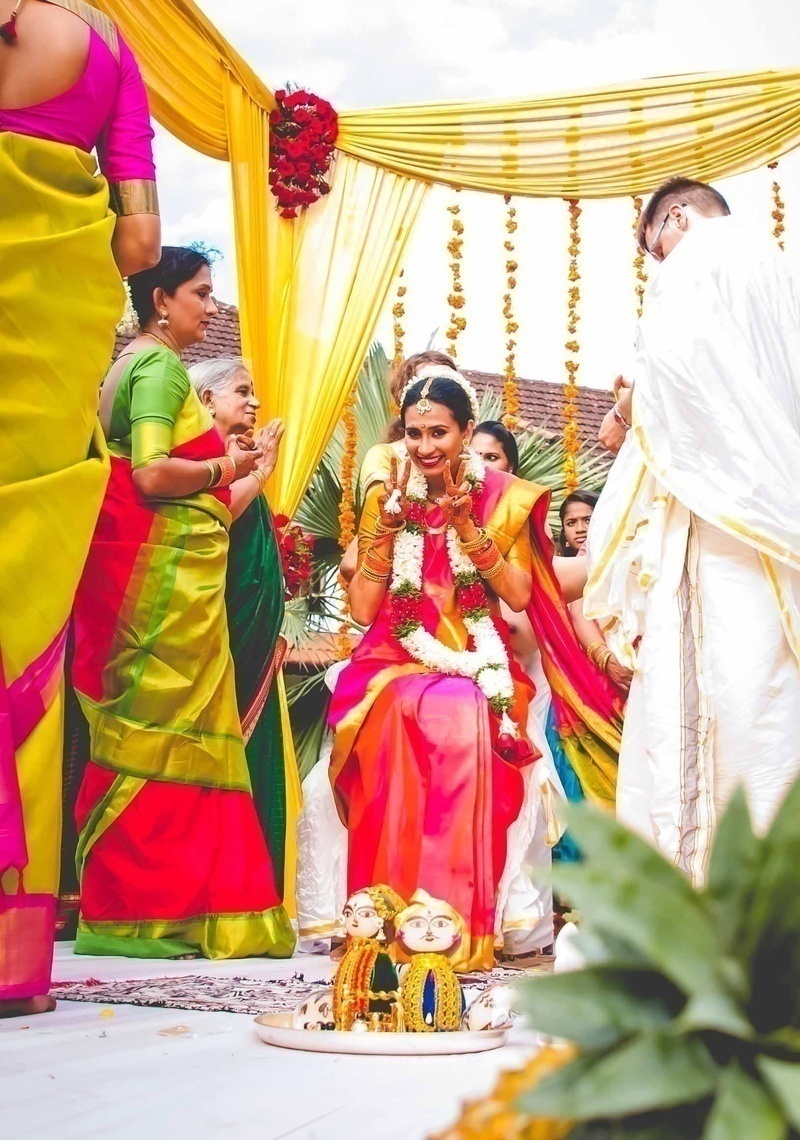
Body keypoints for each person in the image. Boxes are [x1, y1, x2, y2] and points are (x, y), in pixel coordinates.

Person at [328, 369, 622, 970]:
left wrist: (467, 527)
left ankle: (453, 928)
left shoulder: (505, 497)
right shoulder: (387, 490)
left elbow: (516, 595)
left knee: (461, 712)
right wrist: (384, 527)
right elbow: (361, 608)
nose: (426, 447)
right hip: (392, 655)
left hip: (478, 655)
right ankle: (384, 923)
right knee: (397, 714)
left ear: (466, 432)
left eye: (439, 432)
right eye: (414, 434)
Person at [0, 0, 160, 1016]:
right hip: (49, 351)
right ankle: (11, 955)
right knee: (25, 608)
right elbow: (140, 242)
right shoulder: (105, 43)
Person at [70, 248, 295, 959]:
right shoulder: (160, 366)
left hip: (145, 582)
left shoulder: (125, 365)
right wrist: (234, 464)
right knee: (174, 741)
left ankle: (141, 908)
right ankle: (168, 911)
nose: (212, 306)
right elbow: (152, 474)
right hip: (162, 590)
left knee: (141, 744)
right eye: (201, 293)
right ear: (161, 300)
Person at [586, 176, 800, 885]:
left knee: (707, 709)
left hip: (718, 523)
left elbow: (677, 385)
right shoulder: (781, 273)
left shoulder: (697, 264)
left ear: (676, 217)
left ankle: (699, 909)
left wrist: (628, 406)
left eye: (655, 246)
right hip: (781, 520)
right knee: (770, 707)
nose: (659, 264)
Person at [189, 357, 295, 933]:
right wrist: (261, 473)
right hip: (220, 646)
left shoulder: (236, 460)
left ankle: (258, 900)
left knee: (259, 769)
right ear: (205, 400)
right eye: (241, 392)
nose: (254, 402)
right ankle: (226, 904)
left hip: (256, 648)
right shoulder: (202, 462)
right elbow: (214, 520)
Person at [558, 490, 597, 557]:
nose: (580, 529)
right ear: (564, 531)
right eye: (571, 523)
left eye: (588, 520)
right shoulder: (554, 566)